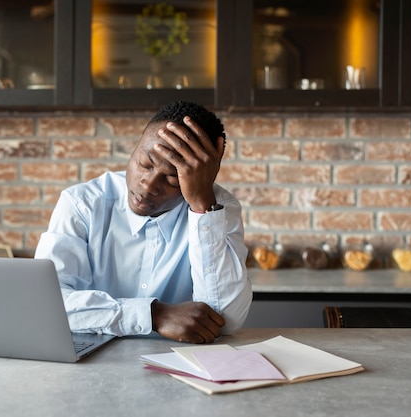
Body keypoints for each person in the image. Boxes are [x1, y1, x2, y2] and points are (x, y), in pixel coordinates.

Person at [34, 100, 252, 344]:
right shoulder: (82, 204)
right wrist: (153, 315)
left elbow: (226, 319)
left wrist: (203, 207)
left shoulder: (218, 208)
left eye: (171, 178)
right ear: (134, 149)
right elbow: (46, 304)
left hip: (178, 364)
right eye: (144, 163)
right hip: (92, 364)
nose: (148, 184)